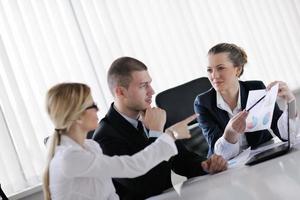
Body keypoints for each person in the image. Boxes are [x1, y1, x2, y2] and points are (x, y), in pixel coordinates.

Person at [93, 57, 227, 199]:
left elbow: (181, 159)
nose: (152, 91)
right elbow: (151, 185)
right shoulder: (104, 138)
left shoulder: (153, 115)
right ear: (120, 92)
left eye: (149, 84)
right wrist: (156, 134)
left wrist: (205, 165)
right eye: (143, 86)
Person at [42, 82, 200, 200]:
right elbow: (133, 166)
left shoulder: (90, 147)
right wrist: (169, 135)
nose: (97, 109)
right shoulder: (69, 158)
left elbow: (110, 194)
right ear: (76, 115)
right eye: (92, 105)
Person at [194, 43, 299, 160]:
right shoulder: (203, 103)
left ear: (237, 69)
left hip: (263, 158)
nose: (214, 75)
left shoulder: (256, 88)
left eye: (220, 68)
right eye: (209, 70)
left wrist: (291, 102)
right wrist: (230, 133)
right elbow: (219, 155)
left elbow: (286, 135)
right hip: (229, 168)